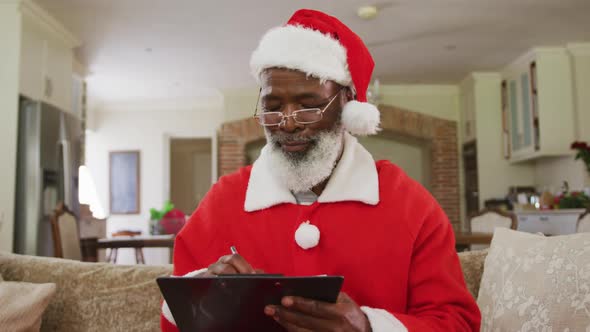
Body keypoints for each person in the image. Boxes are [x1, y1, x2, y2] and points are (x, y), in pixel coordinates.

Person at [161, 9, 481, 332]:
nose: (287, 123)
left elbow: (457, 323)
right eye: (273, 108)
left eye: (308, 106)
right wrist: (202, 295)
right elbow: (173, 319)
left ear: (347, 104)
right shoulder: (222, 203)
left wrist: (369, 328)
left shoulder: (411, 206)